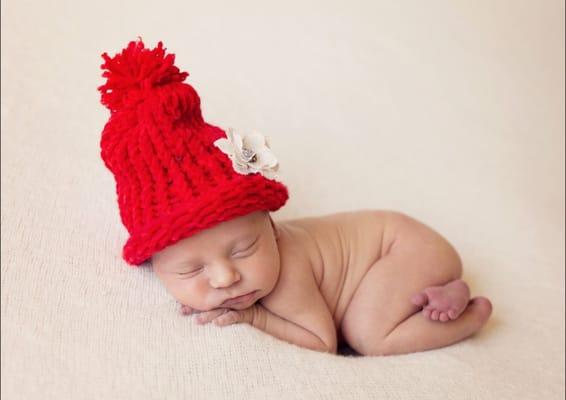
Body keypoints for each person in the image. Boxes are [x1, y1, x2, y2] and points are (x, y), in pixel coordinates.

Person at [98, 38, 492, 356]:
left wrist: (254, 318)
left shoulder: (286, 275)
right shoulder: (244, 268)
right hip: (399, 250)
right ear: (153, 265)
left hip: (403, 249)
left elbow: (323, 341)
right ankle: (437, 295)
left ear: (271, 227)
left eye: (243, 249)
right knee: (366, 318)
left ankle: (467, 314)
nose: (226, 277)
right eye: (190, 271)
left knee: (368, 335)